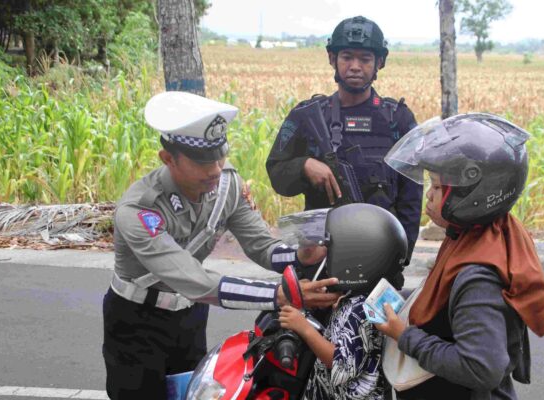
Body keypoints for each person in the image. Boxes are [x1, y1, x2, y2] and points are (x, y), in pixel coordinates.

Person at [102, 91, 340, 399]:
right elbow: (193, 279)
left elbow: (262, 247)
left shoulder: (226, 186)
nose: (215, 169)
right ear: (168, 158)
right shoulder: (140, 210)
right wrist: (278, 296)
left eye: (220, 155)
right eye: (202, 161)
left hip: (190, 317)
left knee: (192, 393)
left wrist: (299, 255)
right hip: (136, 321)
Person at [375, 114, 544, 399]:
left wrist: (405, 337)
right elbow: (443, 301)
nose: (429, 196)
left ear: (471, 193)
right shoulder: (478, 235)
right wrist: (395, 298)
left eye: (436, 186)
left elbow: (482, 368)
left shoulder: (477, 276)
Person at [266, 16, 423, 268]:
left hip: (381, 254)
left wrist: (402, 255)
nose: (355, 66)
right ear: (332, 59)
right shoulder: (307, 116)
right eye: (347, 56)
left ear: (379, 62)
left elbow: (412, 196)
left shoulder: (398, 119)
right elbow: (277, 174)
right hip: (322, 257)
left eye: (365, 59)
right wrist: (304, 166)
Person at [278, 203, 409, 400]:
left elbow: (340, 364)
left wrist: (304, 327)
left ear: (354, 258)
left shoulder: (360, 310)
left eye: (330, 251)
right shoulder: (371, 297)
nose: (327, 256)